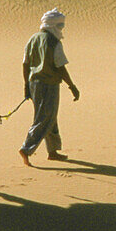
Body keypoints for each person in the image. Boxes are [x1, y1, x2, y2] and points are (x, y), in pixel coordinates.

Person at [19, 9, 80, 167]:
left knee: (49, 115)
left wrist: (26, 85)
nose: (61, 29)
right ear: (52, 25)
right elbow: (60, 67)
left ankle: (52, 151)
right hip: (49, 84)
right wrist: (72, 86)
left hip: (34, 83)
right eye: (60, 25)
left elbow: (25, 64)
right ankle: (26, 148)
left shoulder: (33, 39)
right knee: (44, 118)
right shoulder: (53, 42)